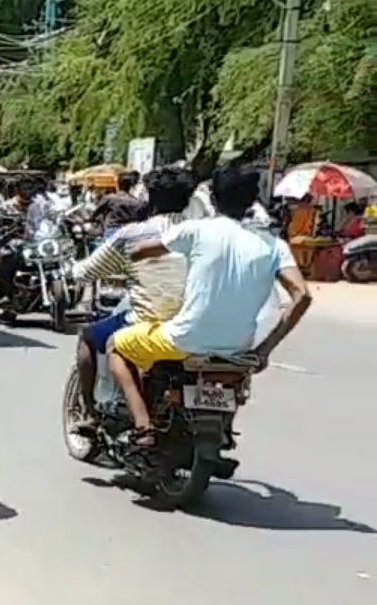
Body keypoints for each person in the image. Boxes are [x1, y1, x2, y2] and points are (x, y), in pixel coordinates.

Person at [106, 163, 312, 445]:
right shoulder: (275, 246)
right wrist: (266, 348)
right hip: (239, 347)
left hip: (184, 339)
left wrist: (130, 254)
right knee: (235, 376)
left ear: (213, 198)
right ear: (253, 200)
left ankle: (144, 427)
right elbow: (303, 294)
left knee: (117, 347)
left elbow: (141, 250)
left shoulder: (195, 231)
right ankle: (224, 425)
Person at [68, 167, 196, 425]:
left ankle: (91, 413)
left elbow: (87, 271)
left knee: (88, 337)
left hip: (147, 323)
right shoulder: (204, 234)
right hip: (196, 324)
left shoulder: (133, 234)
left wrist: (73, 269)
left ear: (150, 197)